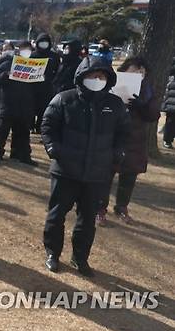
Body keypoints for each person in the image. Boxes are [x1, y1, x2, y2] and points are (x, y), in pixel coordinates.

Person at [42, 56, 130, 276]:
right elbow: (48, 125)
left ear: (108, 79)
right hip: (65, 170)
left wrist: (117, 153)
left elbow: (123, 132)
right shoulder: (64, 99)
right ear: (82, 76)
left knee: (87, 219)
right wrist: (53, 149)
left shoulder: (115, 104)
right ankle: (53, 253)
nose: (97, 79)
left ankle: (80, 258)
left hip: (97, 173)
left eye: (101, 76)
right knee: (56, 215)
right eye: (93, 75)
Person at [97, 57, 160, 225]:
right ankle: (99, 209)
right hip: (112, 137)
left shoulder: (149, 90)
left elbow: (154, 115)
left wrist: (142, 105)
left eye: (141, 72)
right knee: (105, 175)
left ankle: (122, 207)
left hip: (135, 140)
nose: (138, 74)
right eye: (134, 71)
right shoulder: (112, 85)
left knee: (129, 176)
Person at [0, 41, 37, 166]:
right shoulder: (9, 63)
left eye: (29, 50)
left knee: (23, 133)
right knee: (2, 132)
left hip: (25, 105)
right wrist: (7, 74)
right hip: (8, 104)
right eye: (23, 49)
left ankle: (22, 155)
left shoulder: (34, 65)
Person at [31, 33, 60, 133]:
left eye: (46, 42)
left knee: (43, 108)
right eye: (41, 42)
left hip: (47, 86)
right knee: (31, 106)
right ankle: (30, 125)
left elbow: (57, 70)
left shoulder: (54, 56)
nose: (44, 44)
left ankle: (39, 126)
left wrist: (52, 80)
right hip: (33, 85)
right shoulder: (33, 55)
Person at [163, 59, 175, 149]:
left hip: (170, 104)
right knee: (170, 124)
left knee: (170, 124)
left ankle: (168, 140)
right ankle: (167, 140)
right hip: (171, 105)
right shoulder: (171, 79)